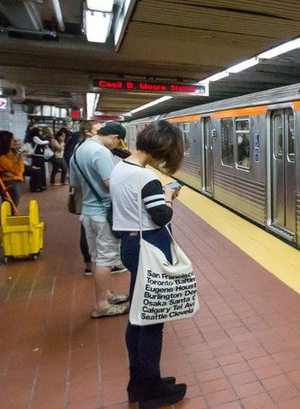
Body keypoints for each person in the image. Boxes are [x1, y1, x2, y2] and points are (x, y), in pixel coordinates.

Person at [110, 120, 186, 408]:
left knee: (137, 317)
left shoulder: (120, 168)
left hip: (130, 245)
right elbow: (160, 217)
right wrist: (168, 196)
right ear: (161, 148)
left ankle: (138, 381)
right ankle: (150, 389)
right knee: (153, 320)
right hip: (148, 247)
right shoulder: (146, 179)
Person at [69, 121, 129, 318]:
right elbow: (110, 184)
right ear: (114, 137)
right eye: (117, 143)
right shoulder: (101, 152)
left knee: (97, 258)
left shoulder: (79, 150)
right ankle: (102, 305)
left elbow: (75, 185)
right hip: (103, 213)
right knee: (106, 259)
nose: (115, 147)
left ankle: (107, 294)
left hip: (88, 212)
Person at [0, 130, 25, 208]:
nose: (14, 141)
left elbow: (18, 170)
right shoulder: (0, 158)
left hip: (12, 183)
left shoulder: (8, 154)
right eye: (12, 139)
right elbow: (17, 170)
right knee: (10, 210)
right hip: (8, 185)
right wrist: (20, 157)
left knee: (11, 209)